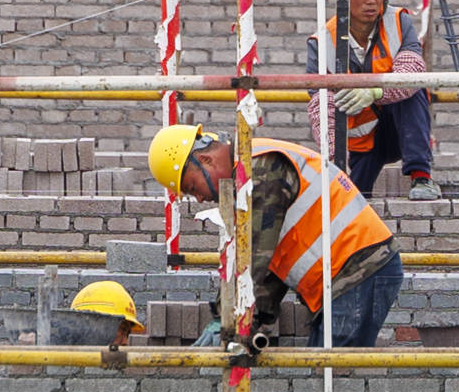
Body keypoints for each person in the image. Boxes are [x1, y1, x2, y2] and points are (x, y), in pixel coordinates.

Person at [148, 121, 405, 347]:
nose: (201, 198)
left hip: (362, 268)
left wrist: (226, 317)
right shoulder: (247, 179)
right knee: (325, 377)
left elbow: (253, 255)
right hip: (349, 276)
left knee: (334, 381)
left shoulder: (261, 168)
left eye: (193, 187)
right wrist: (250, 319)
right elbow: (270, 268)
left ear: (205, 160)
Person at [324, 0, 434, 198]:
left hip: (401, 130)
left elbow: (412, 69)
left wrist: (375, 91)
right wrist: (332, 164)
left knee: (412, 87)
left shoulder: (398, 22)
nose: (372, 0)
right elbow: (322, 108)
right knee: (355, 200)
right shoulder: (323, 41)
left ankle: (421, 178)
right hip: (361, 139)